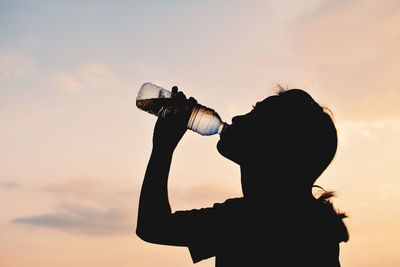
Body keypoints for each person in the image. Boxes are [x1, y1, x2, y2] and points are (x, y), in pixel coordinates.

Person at [136, 86, 349, 267]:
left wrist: (163, 147)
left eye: (254, 116)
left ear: (274, 145)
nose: (237, 118)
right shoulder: (314, 223)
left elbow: (153, 227)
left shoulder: (246, 220)